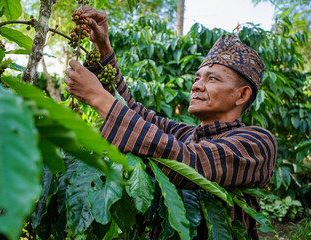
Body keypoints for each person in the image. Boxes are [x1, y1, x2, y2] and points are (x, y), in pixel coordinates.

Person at [64, 7, 277, 240]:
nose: (196, 86)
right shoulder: (187, 134)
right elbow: (133, 111)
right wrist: (102, 46)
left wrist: (97, 97)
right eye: (197, 78)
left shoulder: (258, 142)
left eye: (212, 78)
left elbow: (191, 162)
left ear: (242, 95)